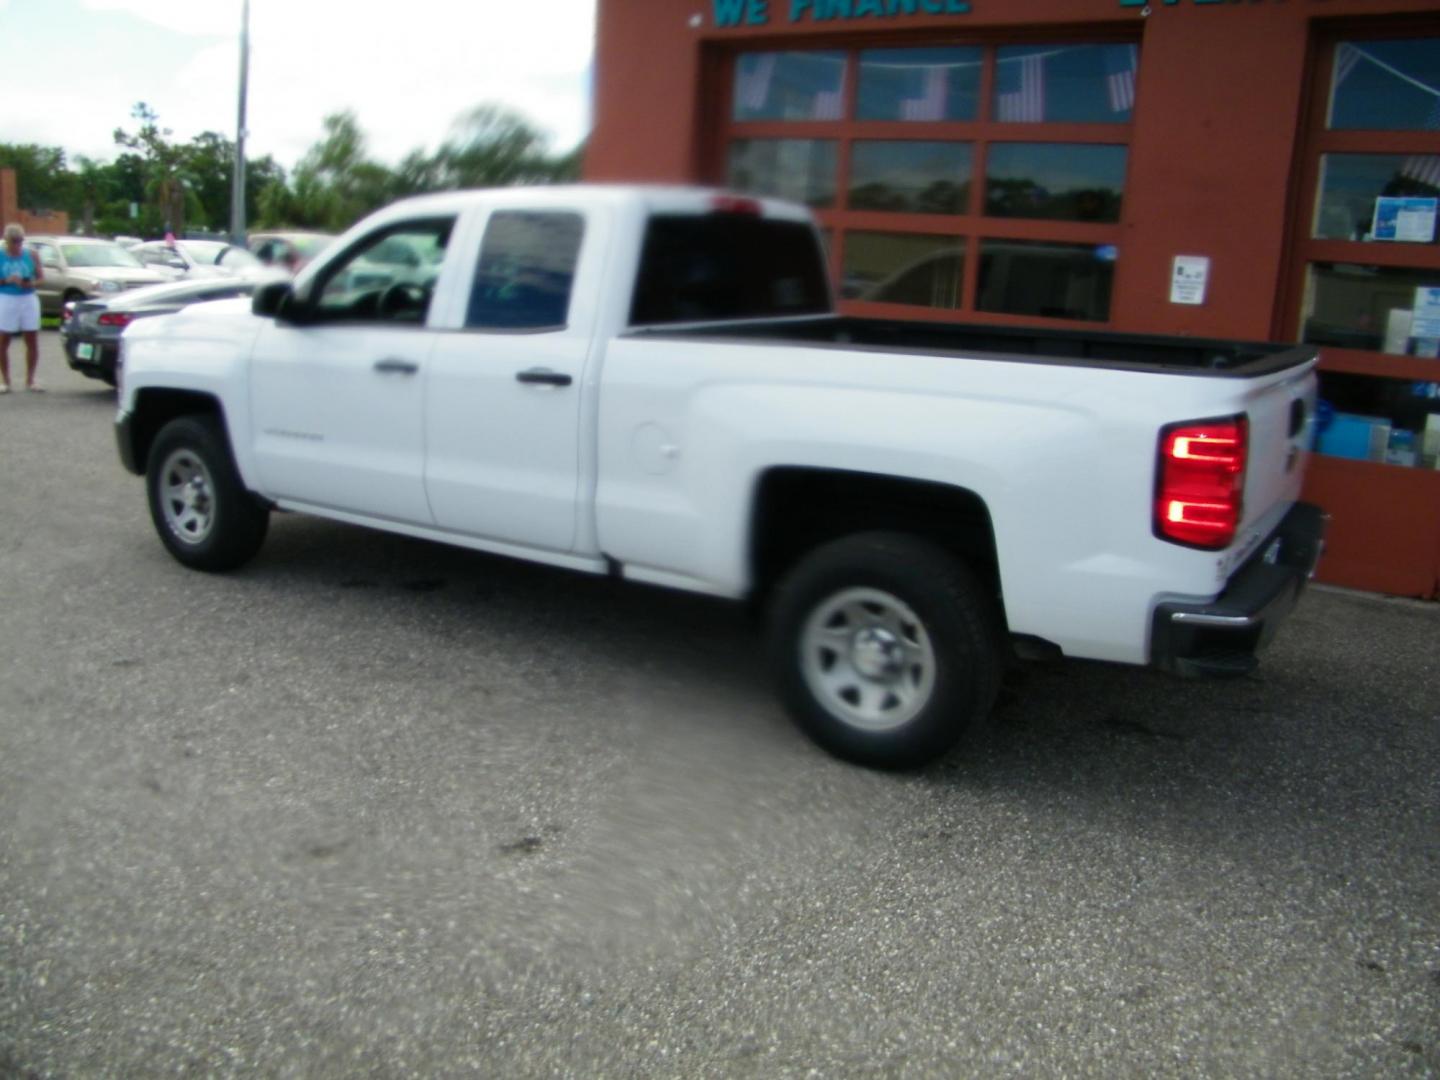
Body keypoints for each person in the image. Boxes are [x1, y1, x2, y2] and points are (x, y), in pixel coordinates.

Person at [0, 222, 44, 393]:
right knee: (4, 339)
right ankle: (6, 380)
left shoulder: (31, 255)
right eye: (14, 241)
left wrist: (29, 283)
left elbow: (41, 278)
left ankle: (30, 379)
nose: (17, 245)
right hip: (6, 297)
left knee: (31, 338)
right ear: (7, 241)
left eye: (20, 241)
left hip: (28, 297)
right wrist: (6, 280)